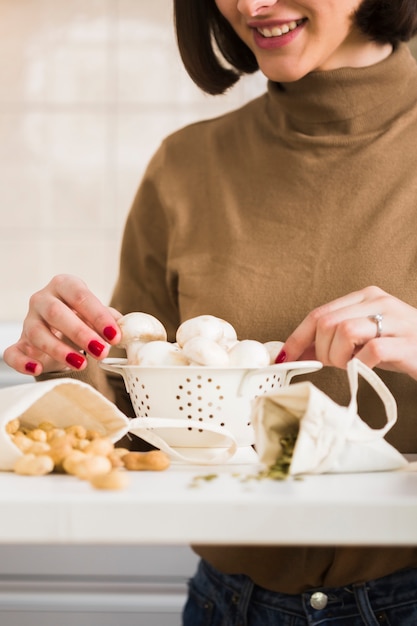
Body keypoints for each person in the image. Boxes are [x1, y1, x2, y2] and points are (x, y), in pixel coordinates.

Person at [5, 0, 417, 623]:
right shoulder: (185, 166)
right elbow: (138, 419)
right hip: (230, 604)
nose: (249, 4)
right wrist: (63, 362)